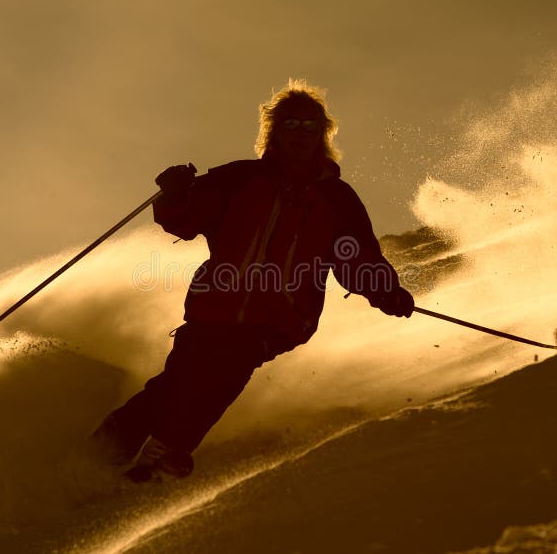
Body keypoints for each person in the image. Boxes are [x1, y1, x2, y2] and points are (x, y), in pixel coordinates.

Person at [92, 79, 415, 481]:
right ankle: (103, 454)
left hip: (277, 318)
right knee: (177, 381)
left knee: (226, 369)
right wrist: (174, 194)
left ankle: (165, 450)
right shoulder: (239, 179)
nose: (300, 134)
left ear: (322, 134)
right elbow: (185, 218)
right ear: (274, 131)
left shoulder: (336, 200)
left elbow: (358, 258)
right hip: (215, 306)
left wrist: (388, 293)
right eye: (291, 125)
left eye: (310, 126)